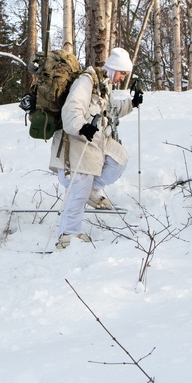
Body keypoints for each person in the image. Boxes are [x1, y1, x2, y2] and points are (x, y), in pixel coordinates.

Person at [49, 47, 141, 249]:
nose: (122, 78)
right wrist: (81, 127)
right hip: (75, 147)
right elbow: (71, 110)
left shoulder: (102, 85)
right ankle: (67, 236)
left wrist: (132, 103)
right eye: (122, 74)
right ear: (115, 68)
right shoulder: (87, 81)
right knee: (78, 191)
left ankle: (92, 191)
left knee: (118, 161)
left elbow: (110, 110)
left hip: (93, 145)